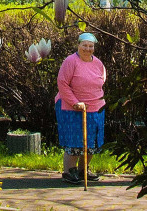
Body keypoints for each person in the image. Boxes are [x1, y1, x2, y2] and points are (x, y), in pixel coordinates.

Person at [55, 32, 106, 184]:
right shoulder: (71, 61)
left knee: (92, 142)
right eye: (84, 45)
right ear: (78, 45)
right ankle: (69, 171)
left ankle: (84, 169)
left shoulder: (98, 63)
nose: (87, 49)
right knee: (75, 140)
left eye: (91, 46)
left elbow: (102, 80)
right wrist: (75, 102)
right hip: (72, 107)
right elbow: (62, 83)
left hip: (95, 107)